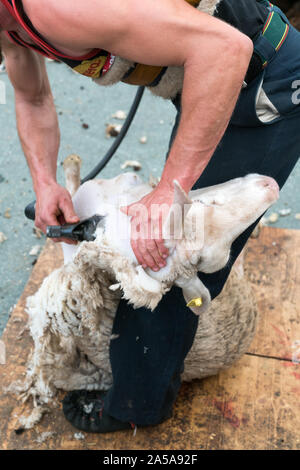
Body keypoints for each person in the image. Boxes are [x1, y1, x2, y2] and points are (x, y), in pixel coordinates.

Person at [0, 0, 299, 433]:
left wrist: (165, 194)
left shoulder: (57, 8)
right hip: (211, 73)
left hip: (264, 77)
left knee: (164, 260)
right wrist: (45, 182)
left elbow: (225, 50)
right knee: (168, 229)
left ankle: (136, 406)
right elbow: (32, 94)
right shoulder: (11, 22)